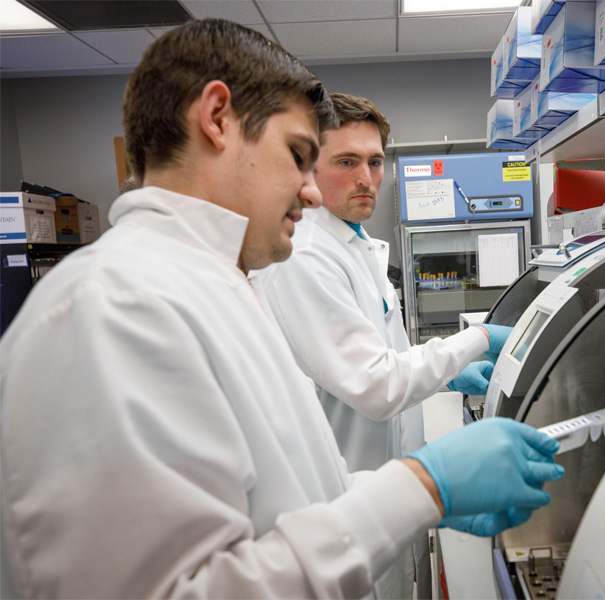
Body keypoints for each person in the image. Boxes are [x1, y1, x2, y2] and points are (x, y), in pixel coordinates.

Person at [0, 19, 563, 600]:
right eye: (299, 155)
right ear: (217, 118)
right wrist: (422, 488)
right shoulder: (114, 309)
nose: (313, 191)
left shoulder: (218, 285)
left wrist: (408, 500)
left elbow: (290, 486)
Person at [253, 92, 513, 598]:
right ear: (308, 168)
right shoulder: (307, 255)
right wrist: (475, 340)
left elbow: (378, 351)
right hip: (345, 510)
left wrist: (447, 375)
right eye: (346, 162)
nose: (366, 178)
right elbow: (375, 387)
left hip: (384, 493)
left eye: (374, 162)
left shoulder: (355, 244)